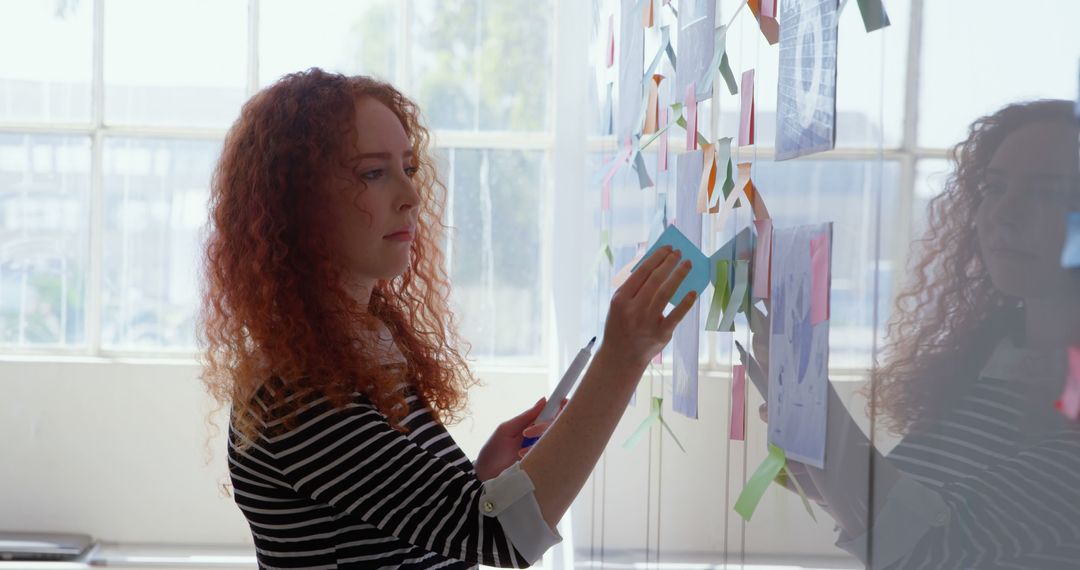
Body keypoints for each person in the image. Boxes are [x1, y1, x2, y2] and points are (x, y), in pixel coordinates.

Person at [198, 68, 699, 569]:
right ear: (299, 204)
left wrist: (481, 479)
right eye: (373, 173)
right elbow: (502, 537)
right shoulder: (299, 394)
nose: (411, 196)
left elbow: (418, 527)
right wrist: (620, 360)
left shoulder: (354, 350)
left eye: (409, 168)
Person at [749, 99, 1080, 569]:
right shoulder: (992, 361)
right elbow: (926, 510)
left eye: (1048, 193)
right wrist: (829, 478)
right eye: (994, 187)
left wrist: (827, 436)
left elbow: (927, 544)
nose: (1004, 213)